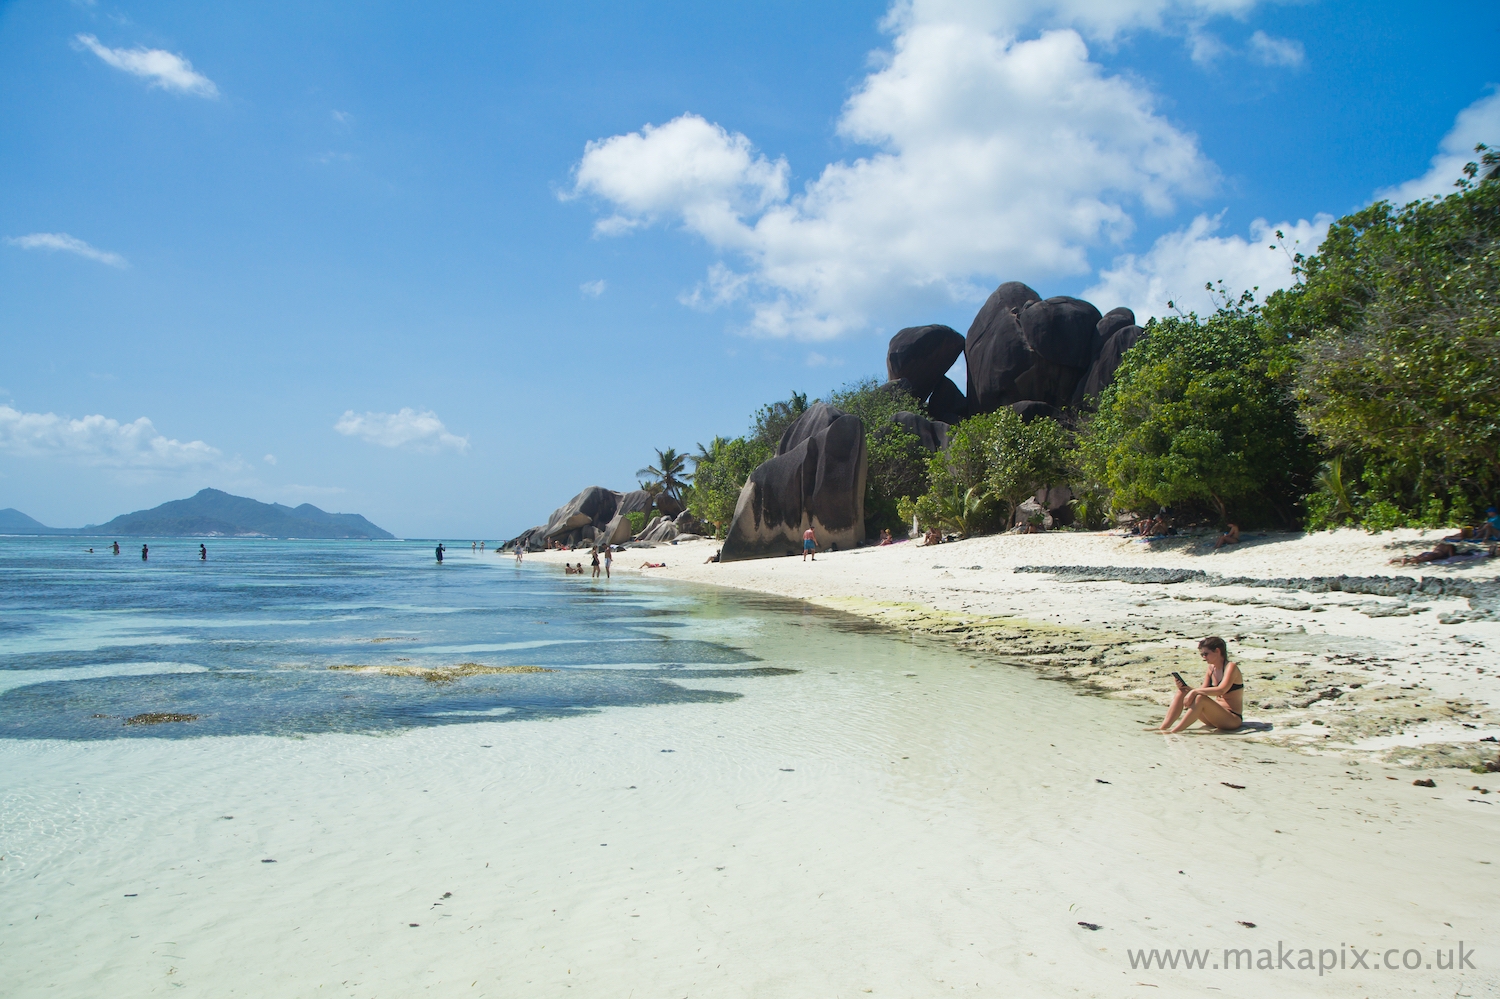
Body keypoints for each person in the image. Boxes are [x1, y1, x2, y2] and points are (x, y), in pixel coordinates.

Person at [1156, 636, 1244, 733]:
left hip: (1231, 719)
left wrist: (1194, 691)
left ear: (1217, 651)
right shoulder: (1211, 668)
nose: (1204, 657)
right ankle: (1163, 727)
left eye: (1206, 654)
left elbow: (1221, 690)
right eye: (1202, 654)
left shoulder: (1231, 667)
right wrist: (1187, 689)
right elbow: (1203, 691)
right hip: (1213, 717)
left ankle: (1175, 731)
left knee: (1199, 698)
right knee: (1183, 691)